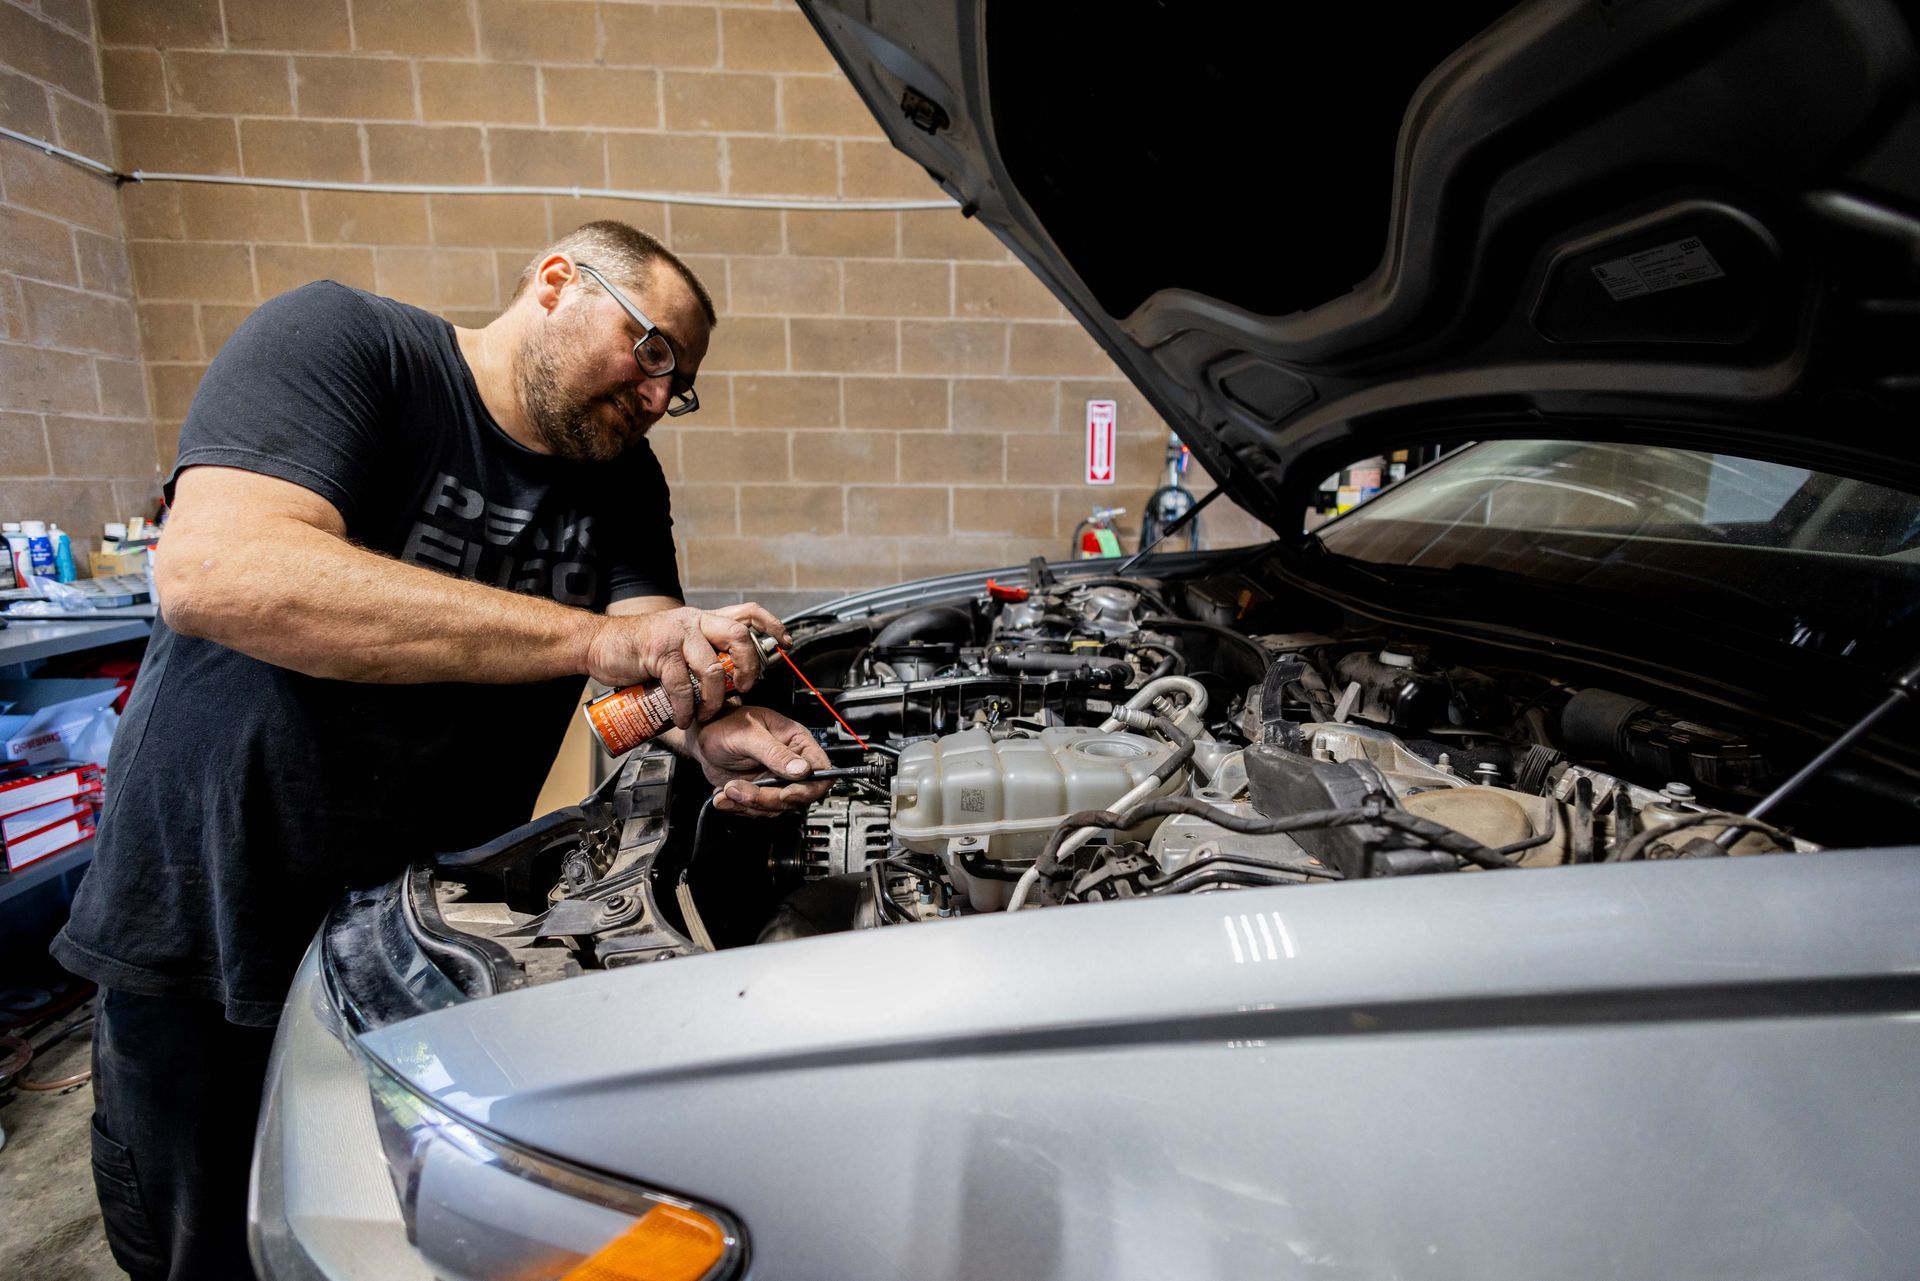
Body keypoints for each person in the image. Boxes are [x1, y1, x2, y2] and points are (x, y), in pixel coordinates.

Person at [51, 220, 828, 1280]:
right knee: (209, 1250)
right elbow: (220, 573)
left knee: (404, 1241)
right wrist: (595, 638)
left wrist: (717, 726)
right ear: (557, 280)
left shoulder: (623, 481)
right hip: (214, 912)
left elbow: (655, 649)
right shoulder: (345, 346)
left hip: (429, 935)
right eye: (651, 353)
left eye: (677, 384)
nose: (657, 397)